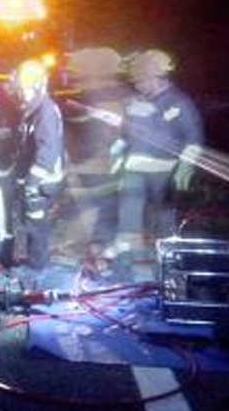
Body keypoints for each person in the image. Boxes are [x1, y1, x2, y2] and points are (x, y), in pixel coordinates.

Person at [110, 49, 204, 280]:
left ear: (157, 77)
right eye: (136, 81)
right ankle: (124, 268)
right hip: (134, 170)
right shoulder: (137, 101)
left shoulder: (179, 102)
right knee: (128, 221)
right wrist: (118, 148)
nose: (138, 85)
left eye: (142, 81)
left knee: (164, 223)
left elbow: (193, 137)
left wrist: (186, 166)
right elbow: (126, 131)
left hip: (164, 172)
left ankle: (167, 272)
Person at [59, 47, 132, 252]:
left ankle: (98, 251)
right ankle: (90, 249)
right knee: (90, 211)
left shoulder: (108, 99)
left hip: (100, 169)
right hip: (91, 169)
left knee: (98, 213)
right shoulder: (91, 98)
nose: (73, 78)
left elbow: (110, 133)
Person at [8, 59, 65, 271]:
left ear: (40, 86)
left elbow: (48, 151)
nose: (22, 94)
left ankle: (37, 267)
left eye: (26, 90)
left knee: (36, 223)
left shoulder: (45, 112)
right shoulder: (35, 108)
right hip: (37, 178)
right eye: (20, 90)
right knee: (32, 221)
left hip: (42, 181)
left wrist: (32, 181)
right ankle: (36, 263)